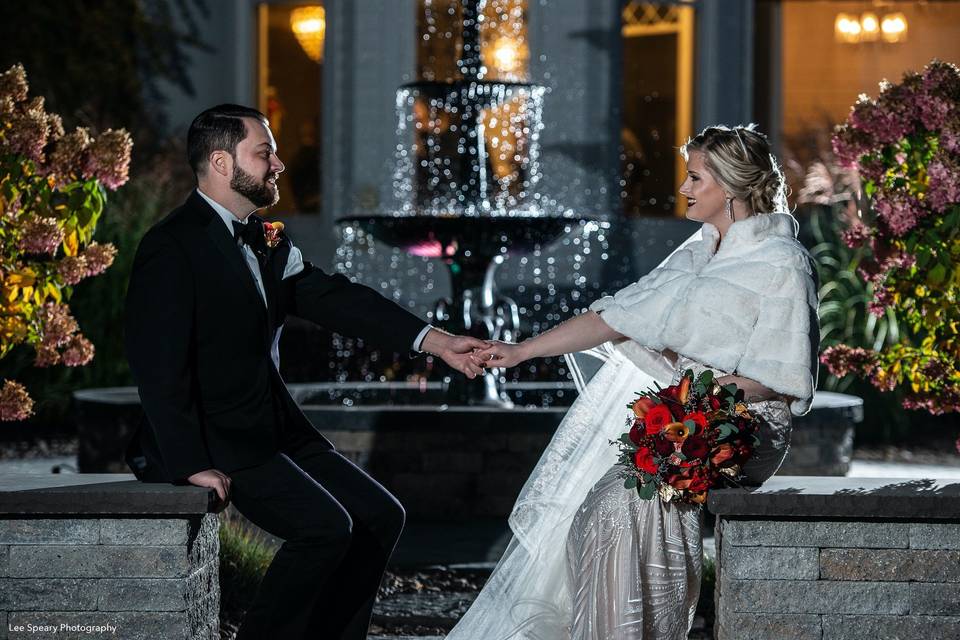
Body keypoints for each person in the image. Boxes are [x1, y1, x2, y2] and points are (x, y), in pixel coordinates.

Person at [124, 104, 488, 640]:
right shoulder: (171, 246)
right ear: (222, 163)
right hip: (216, 436)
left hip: (275, 429)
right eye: (264, 152)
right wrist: (189, 462)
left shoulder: (266, 238)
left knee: (381, 517)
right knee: (324, 529)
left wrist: (439, 343)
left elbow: (337, 300)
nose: (279, 165)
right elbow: (157, 365)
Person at [448, 124, 820, 640]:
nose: (684, 189)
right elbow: (614, 318)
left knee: (620, 507)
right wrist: (520, 351)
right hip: (685, 416)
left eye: (694, 178)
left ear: (731, 186)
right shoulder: (696, 254)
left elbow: (778, 382)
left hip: (745, 421)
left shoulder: (782, 262)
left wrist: (693, 402)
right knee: (596, 513)